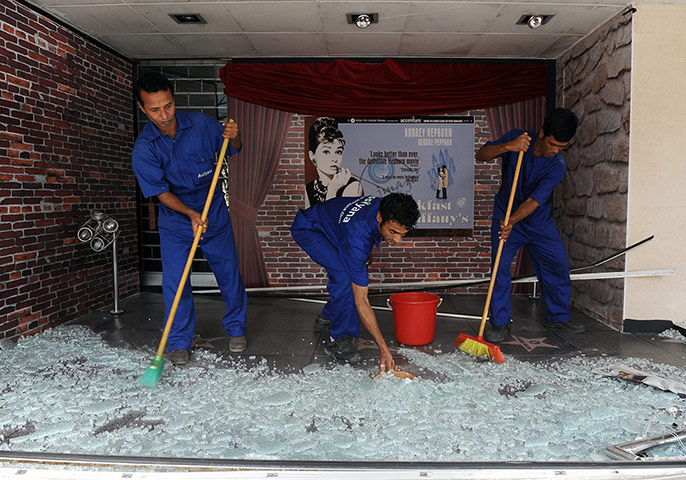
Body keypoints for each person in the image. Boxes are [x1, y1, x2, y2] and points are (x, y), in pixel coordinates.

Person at [132, 72, 248, 366]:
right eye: (155, 109)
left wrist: (234, 137)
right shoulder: (144, 149)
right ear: (142, 108)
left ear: (173, 98)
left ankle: (236, 329)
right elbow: (159, 192)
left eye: (167, 106)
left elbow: (232, 149)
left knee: (228, 272)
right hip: (176, 218)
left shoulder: (202, 125)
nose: (163, 115)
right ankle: (179, 340)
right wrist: (189, 213)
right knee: (176, 281)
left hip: (213, 211)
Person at [476, 108, 584, 343]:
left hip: (536, 221)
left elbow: (535, 201)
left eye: (561, 147)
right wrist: (508, 147)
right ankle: (501, 324)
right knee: (500, 268)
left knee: (557, 264)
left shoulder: (557, 165)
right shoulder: (518, 138)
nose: (555, 151)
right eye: (552, 144)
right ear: (542, 133)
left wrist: (512, 222)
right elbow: (481, 155)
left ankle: (559, 317)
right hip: (504, 213)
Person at [290, 193, 420, 371]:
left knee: (353, 273)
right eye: (393, 232)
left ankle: (327, 317)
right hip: (310, 229)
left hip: (333, 227)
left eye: (402, 234)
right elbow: (361, 300)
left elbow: (365, 233)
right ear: (380, 217)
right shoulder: (357, 238)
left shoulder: (385, 205)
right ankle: (337, 338)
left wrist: (365, 251)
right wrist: (383, 349)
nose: (397, 240)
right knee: (345, 279)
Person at [305, 117, 363, 207]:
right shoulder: (308, 189)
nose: (334, 158)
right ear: (312, 155)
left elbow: (333, 221)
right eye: (326, 152)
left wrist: (332, 191)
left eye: (338, 152)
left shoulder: (353, 187)